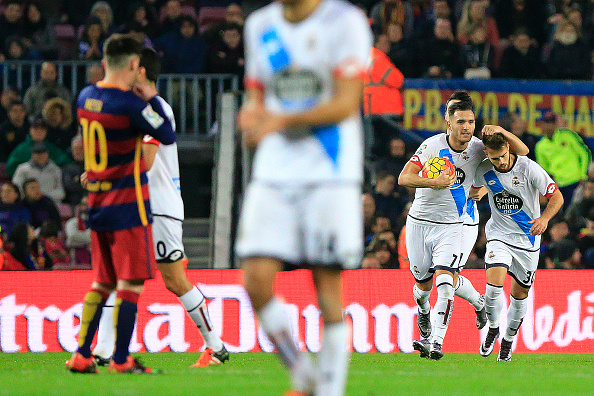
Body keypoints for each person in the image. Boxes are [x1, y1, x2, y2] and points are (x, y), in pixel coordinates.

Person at [236, 0, 371, 394]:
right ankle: (303, 375)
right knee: (256, 281)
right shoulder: (260, 25)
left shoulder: (343, 21)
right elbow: (256, 94)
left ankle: (330, 390)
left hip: (329, 172)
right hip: (274, 171)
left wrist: (281, 119)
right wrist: (252, 114)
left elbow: (347, 103)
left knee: (327, 288)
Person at [92, 47, 228, 368]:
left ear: (140, 71)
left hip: (158, 207)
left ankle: (215, 345)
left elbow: (147, 160)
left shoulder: (156, 109)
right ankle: (103, 350)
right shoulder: (134, 108)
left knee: (174, 280)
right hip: (137, 206)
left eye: (128, 66)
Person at [65, 33, 176, 375]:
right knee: (131, 283)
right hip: (128, 205)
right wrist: (152, 97)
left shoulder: (85, 97)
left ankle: (82, 354)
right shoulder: (131, 105)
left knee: (102, 282)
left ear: (103, 63)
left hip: (97, 202)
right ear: (134, 65)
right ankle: (121, 358)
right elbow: (167, 134)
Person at [399, 95, 529, 360]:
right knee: (423, 286)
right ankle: (466, 304)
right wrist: (433, 181)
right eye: (461, 121)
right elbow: (404, 178)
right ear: (448, 121)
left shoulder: (480, 148)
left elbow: (521, 154)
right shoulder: (431, 146)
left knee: (445, 280)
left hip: (456, 224)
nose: (467, 127)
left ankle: (435, 341)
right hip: (420, 223)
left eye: (471, 121)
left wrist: (502, 132)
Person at [472, 131, 563, 361]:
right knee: (493, 288)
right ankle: (493, 327)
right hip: (499, 235)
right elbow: (477, 187)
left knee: (519, 295)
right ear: (487, 155)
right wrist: (479, 191)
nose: (500, 162)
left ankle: (508, 340)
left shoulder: (528, 168)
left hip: (527, 240)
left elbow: (557, 197)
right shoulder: (483, 169)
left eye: (503, 156)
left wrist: (544, 219)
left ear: (508, 149)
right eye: (494, 158)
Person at [534, 111, 591, 211]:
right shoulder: (540, 146)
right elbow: (543, 168)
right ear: (543, 124)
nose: (549, 126)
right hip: (557, 185)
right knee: (558, 212)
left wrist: (583, 175)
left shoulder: (568, 136)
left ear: (555, 124)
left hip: (575, 181)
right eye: (547, 122)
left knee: (574, 210)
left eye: (551, 122)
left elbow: (585, 154)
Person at [5, 115, 70, 177]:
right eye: (36, 128)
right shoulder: (21, 149)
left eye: (42, 129)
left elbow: (66, 164)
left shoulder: (52, 149)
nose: (39, 131)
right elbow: (10, 168)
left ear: (46, 131)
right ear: (30, 130)